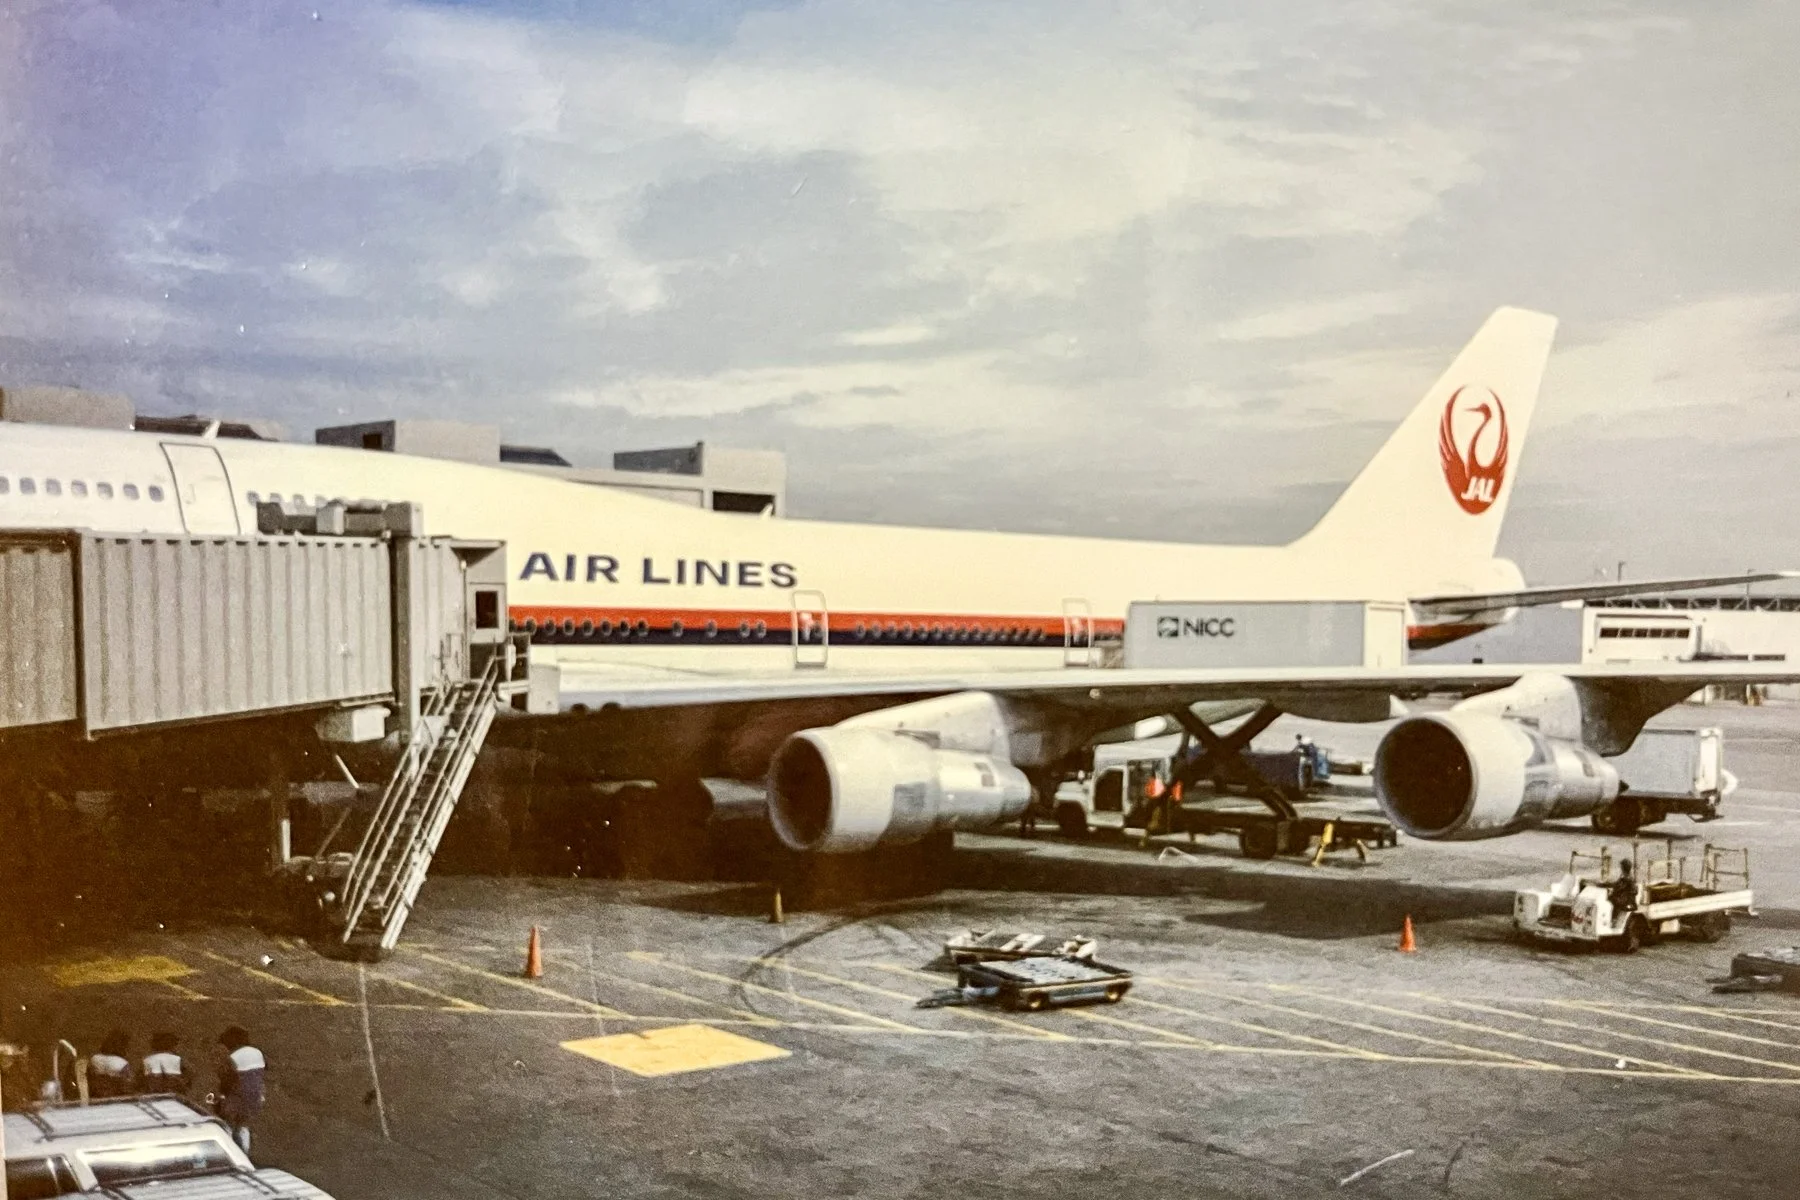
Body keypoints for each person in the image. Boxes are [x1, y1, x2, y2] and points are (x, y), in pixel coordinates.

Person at [216, 1026, 266, 1154]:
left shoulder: (232, 1057)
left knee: (227, 1122)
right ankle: (246, 1152)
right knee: (243, 1124)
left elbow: (227, 1080)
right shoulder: (257, 1052)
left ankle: (231, 1152)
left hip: (237, 1095)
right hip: (256, 1094)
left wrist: (221, 1095)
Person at [88, 1030, 134, 1099]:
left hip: (96, 1096)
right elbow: (128, 1084)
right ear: (123, 1046)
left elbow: (89, 1077)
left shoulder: (94, 1058)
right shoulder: (122, 1063)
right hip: (116, 1098)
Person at [141, 1031, 190, 1095]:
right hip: (173, 1095)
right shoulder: (178, 1059)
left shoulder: (147, 1060)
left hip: (152, 1095)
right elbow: (187, 1079)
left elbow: (142, 1081)